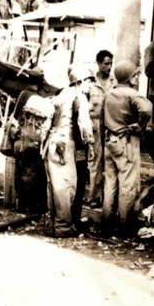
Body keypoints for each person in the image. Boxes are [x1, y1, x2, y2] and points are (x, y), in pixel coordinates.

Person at [101, 60, 153, 234]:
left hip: (110, 141)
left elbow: (102, 119)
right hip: (127, 141)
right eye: (135, 75)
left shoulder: (109, 93)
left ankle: (107, 222)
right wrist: (140, 124)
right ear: (129, 77)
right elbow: (147, 109)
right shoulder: (132, 94)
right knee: (127, 184)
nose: (137, 78)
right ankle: (125, 225)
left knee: (110, 183)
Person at [47, 64, 93, 237]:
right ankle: (64, 228)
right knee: (66, 187)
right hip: (65, 144)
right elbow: (84, 124)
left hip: (52, 143)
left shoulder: (61, 94)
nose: (90, 85)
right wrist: (91, 143)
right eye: (88, 80)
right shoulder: (79, 96)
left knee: (53, 186)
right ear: (80, 81)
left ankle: (53, 225)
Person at [10, 93, 54, 216]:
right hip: (30, 145)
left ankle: (21, 205)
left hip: (19, 145)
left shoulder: (24, 114)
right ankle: (32, 207)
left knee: (20, 173)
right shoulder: (39, 115)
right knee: (31, 175)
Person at [84, 49, 115, 210]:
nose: (109, 67)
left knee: (109, 161)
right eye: (105, 63)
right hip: (95, 127)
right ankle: (94, 197)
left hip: (110, 127)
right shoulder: (90, 85)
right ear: (98, 63)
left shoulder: (114, 83)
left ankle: (108, 197)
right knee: (95, 162)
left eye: (110, 63)